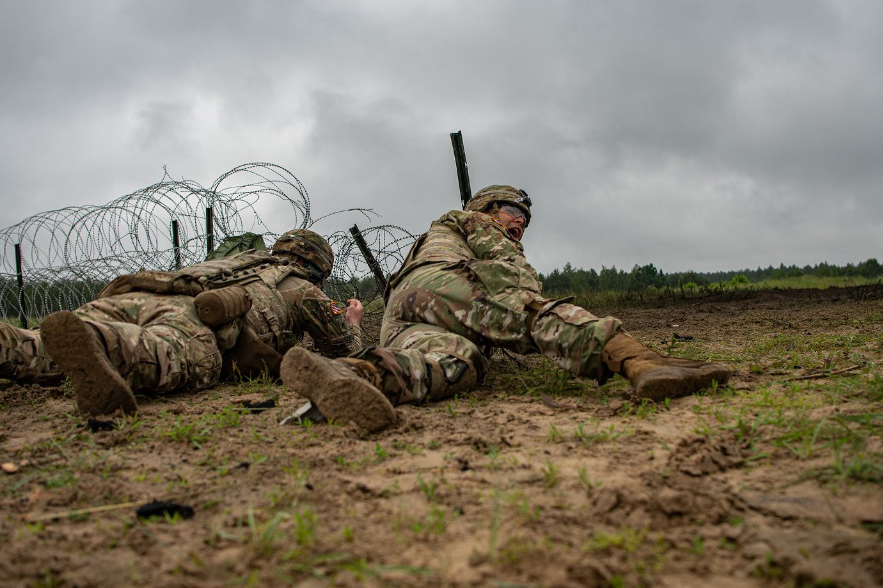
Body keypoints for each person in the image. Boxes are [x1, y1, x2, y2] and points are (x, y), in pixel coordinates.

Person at [279, 186, 731, 432]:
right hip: (442, 285)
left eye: (525, 219)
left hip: (404, 314)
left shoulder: (435, 236)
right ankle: (642, 362)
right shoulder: (470, 221)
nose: (519, 221)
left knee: (459, 362)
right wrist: (529, 305)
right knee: (530, 311)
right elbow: (511, 278)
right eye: (513, 210)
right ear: (487, 208)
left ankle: (363, 376)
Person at [0, 229, 364, 416]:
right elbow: (345, 351)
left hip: (143, 291)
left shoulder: (243, 259)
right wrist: (353, 321)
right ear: (319, 271)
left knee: (43, 345)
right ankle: (100, 339)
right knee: (156, 351)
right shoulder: (303, 288)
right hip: (197, 318)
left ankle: (12, 342)